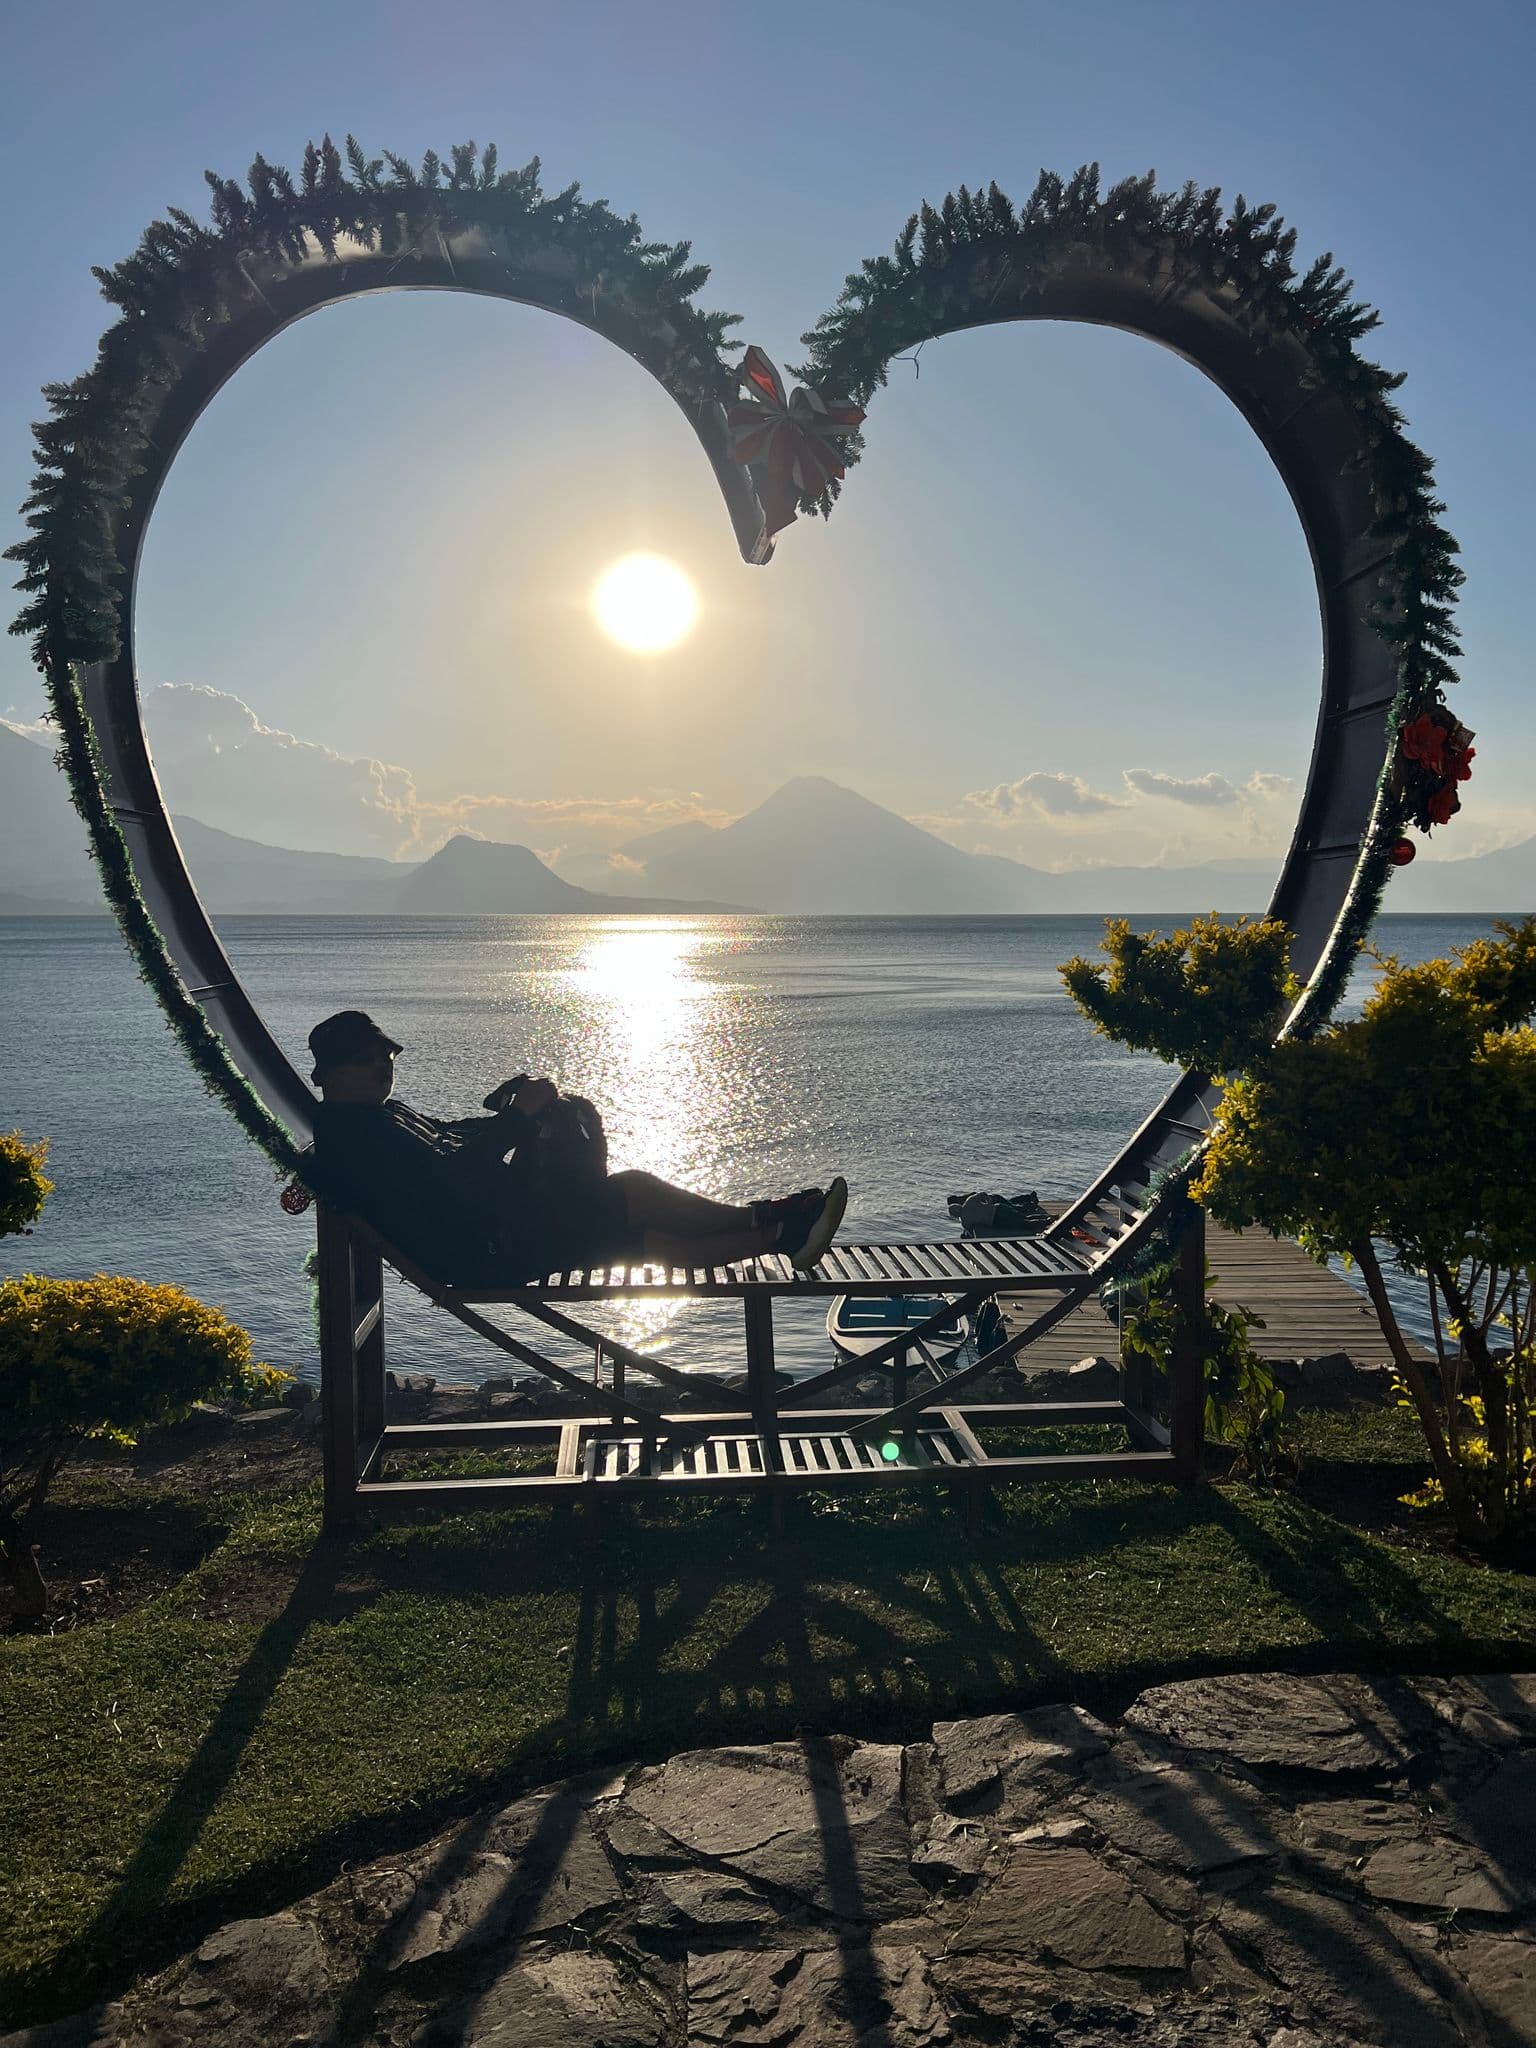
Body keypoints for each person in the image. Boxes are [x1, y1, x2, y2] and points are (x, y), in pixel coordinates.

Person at [306, 1010, 848, 1284]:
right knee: (631, 1193)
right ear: (328, 1074)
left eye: (387, 1058)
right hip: (490, 1248)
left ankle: (781, 1235)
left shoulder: (375, 1118)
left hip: (501, 1230)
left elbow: (455, 1138)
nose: (381, 1069)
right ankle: (771, 1221)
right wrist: (520, 1118)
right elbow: (452, 1178)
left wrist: (518, 1113)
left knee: (640, 1234)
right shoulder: (356, 1138)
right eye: (366, 1060)